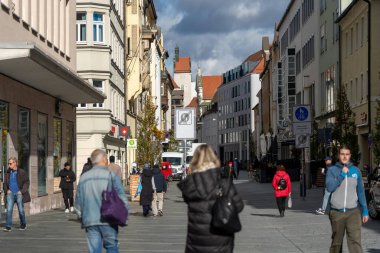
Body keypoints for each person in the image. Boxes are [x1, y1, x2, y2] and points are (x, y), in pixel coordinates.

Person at [178, 144, 244, 253]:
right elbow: (239, 206)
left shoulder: (190, 184)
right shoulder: (224, 183)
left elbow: (187, 199)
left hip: (196, 241)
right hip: (221, 239)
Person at [75, 149, 128, 253]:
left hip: (90, 220)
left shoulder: (83, 178)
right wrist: (123, 215)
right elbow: (122, 197)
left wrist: (81, 216)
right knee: (112, 247)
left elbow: (78, 201)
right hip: (109, 219)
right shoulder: (111, 176)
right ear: (104, 160)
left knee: (94, 251)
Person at [326, 145, 368, 253]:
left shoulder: (356, 171)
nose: (345, 157)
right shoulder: (332, 170)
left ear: (350, 156)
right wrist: (342, 174)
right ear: (338, 155)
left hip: (353, 212)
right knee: (336, 243)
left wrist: (365, 210)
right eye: (342, 154)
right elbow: (330, 187)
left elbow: (360, 191)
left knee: (355, 242)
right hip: (336, 212)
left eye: (347, 154)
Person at [3, 157, 30, 232]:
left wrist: (21, 191)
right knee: (9, 210)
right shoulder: (7, 172)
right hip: (10, 194)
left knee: (21, 210)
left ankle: (23, 224)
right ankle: (8, 226)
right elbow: (5, 183)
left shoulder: (22, 172)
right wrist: (7, 190)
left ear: (15, 163)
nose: (9, 165)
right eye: (8, 163)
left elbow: (27, 182)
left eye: (10, 163)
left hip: (19, 194)